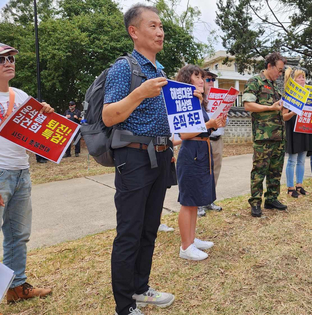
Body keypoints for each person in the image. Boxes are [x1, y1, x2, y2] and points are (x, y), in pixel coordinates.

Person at [102, 5, 176, 314]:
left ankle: (141, 288)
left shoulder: (159, 70)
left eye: (161, 27)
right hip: (133, 158)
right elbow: (108, 116)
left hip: (160, 157)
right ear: (134, 31)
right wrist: (139, 93)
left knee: (149, 228)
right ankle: (124, 306)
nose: (160, 32)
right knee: (129, 232)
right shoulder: (125, 67)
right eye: (152, 26)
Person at [0, 40, 53, 305]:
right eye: (1, 59)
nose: (9, 62)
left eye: (11, 58)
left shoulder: (19, 96)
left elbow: (34, 134)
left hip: (22, 171)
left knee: (18, 236)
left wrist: (46, 114)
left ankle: (16, 287)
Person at [175, 65, 224, 261]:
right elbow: (185, 133)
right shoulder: (185, 102)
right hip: (191, 153)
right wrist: (209, 124)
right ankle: (185, 246)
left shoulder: (198, 102)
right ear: (187, 80)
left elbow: (201, 129)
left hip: (201, 151)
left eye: (202, 77)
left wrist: (214, 125)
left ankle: (192, 240)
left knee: (194, 201)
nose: (202, 80)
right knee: (188, 202)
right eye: (197, 76)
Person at [243, 52, 287, 218]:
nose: (280, 74)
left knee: (275, 170)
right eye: (279, 70)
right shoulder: (255, 82)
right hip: (263, 137)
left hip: (278, 136)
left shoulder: (275, 86)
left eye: (282, 71)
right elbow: (248, 105)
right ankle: (255, 202)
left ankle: (271, 198)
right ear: (269, 66)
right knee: (259, 171)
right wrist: (271, 107)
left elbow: (279, 110)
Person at [282, 67, 312, 198]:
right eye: (299, 77)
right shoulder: (288, 95)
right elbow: (284, 116)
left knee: (302, 159)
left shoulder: (309, 94)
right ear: (293, 80)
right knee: (292, 160)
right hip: (292, 129)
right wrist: (293, 112)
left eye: (303, 77)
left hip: (305, 127)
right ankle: (290, 187)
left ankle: (299, 185)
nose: (302, 80)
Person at [197, 68, 224, 216]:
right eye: (208, 79)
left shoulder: (218, 97)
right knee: (201, 171)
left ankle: (209, 200)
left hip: (218, 137)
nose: (211, 82)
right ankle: (199, 203)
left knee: (215, 171)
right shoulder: (197, 99)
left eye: (213, 79)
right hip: (203, 139)